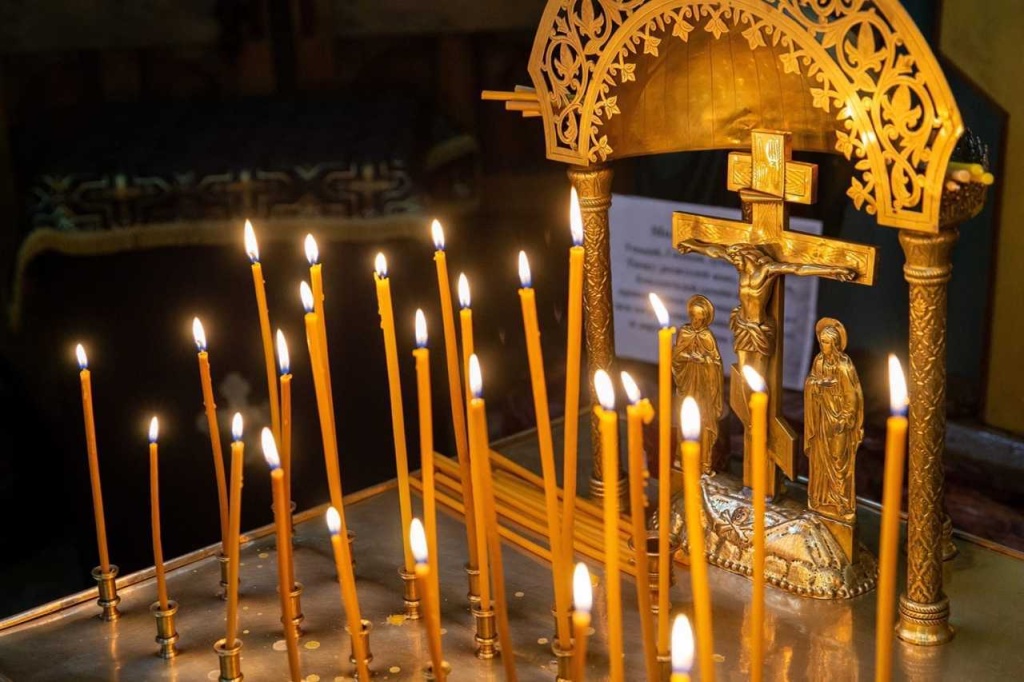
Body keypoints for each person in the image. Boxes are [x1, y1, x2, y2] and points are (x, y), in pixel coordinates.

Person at [803, 318, 863, 523]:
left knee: (838, 462)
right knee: (820, 460)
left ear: (836, 344)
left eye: (827, 342)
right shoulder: (819, 361)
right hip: (821, 418)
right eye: (821, 342)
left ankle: (841, 503)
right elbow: (811, 382)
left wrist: (845, 419)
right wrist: (817, 384)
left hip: (838, 422)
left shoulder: (844, 367)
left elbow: (852, 396)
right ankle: (821, 499)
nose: (823, 346)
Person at [672, 295, 725, 473]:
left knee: (704, 420)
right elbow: (676, 356)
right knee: (684, 418)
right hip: (687, 382)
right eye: (693, 317)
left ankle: (704, 462)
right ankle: (682, 458)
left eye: (699, 318)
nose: (695, 321)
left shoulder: (707, 336)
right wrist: (689, 357)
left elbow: (716, 363)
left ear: (705, 319)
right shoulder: (684, 332)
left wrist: (703, 360)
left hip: (703, 386)